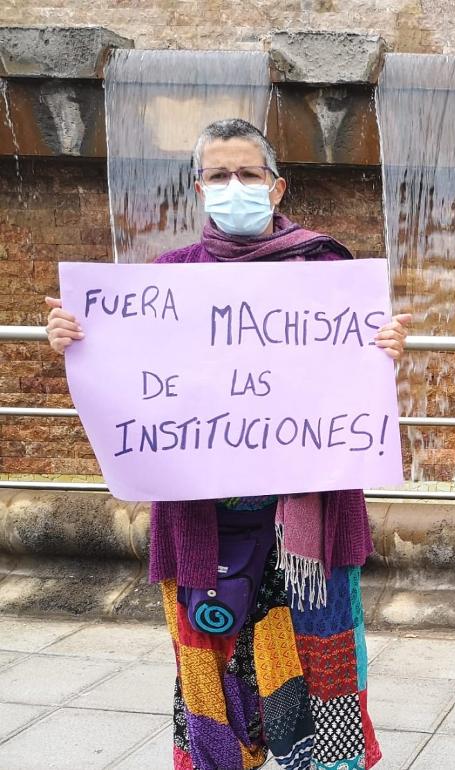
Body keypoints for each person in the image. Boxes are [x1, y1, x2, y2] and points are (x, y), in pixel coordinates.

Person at [44, 118, 410, 770]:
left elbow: (346, 381)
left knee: (322, 684)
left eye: (249, 174)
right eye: (220, 175)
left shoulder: (324, 271)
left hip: (306, 533)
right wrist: (80, 344)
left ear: (277, 188)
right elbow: (132, 388)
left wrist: (384, 351)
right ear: (199, 187)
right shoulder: (166, 282)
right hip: (203, 530)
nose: (234, 186)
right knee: (209, 680)